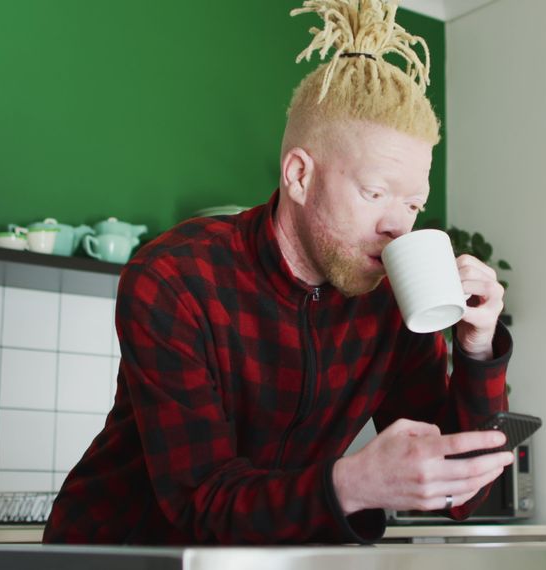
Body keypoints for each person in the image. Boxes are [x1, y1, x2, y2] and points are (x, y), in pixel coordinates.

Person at [43, 0, 513, 545]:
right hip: (118, 555)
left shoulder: (389, 304)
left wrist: (478, 349)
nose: (396, 226)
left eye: (413, 204)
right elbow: (203, 500)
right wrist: (353, 483)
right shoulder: (174, 277)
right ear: (298, 175)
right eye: (375, 192)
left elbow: (461, 492)